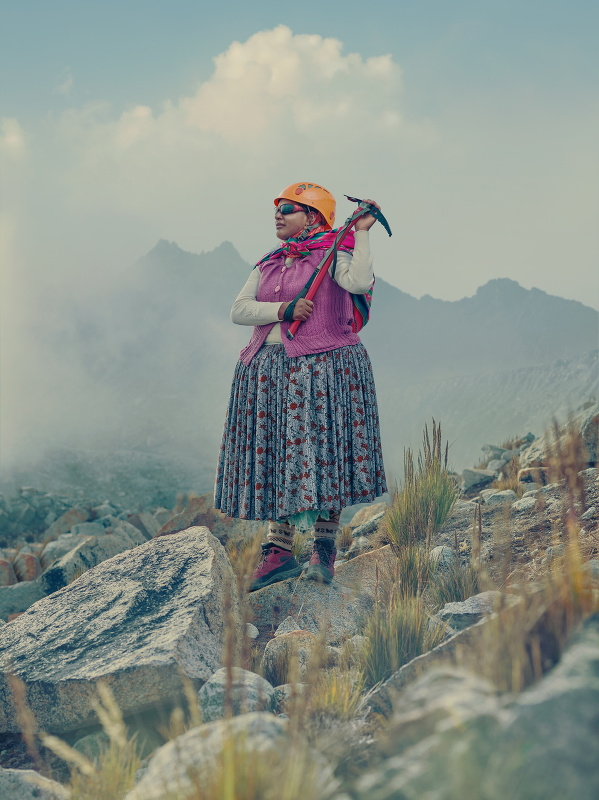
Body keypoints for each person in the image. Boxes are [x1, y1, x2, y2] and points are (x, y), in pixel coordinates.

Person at [214, 182, 387, 591]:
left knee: (324, 456)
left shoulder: (336, 254)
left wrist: (361, 232)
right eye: (277, 208)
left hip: (326, 367)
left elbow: (360, 283)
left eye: (288, 208)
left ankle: (323, 551)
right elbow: (240, 310)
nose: (278, 214)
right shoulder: (271, 262)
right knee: (281, 457)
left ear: (313, 216)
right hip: (271, 371)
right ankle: (279, 553)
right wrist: (283, 310)